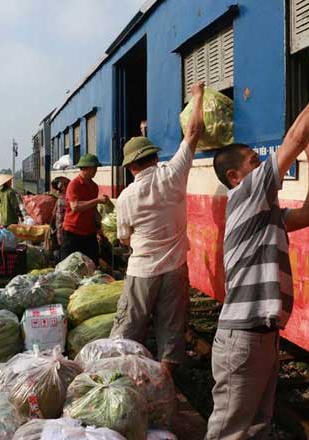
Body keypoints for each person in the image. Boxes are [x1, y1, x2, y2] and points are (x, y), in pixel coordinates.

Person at [205, 57, 309, 440]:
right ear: (236, 176)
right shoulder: (245, 193)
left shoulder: (263, 214)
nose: (262, 165)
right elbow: (294, 140)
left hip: (262, 336)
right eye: (254, 162)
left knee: (254, 429)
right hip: (244, 337)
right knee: (230, 432)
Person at [109, 81, 206, 376]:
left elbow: (124, 238)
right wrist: (198, 96)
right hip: (175, 268)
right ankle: (165, 383)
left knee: (129, 328)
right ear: (154, 157)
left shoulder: (126, 197)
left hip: (143, 271)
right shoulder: (174, 175)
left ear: (131, 166)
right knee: (171, 330)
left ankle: (125, 379)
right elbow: (193, 133)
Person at [61, 153, 109, 265]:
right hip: (72, 232)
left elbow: (93, 210)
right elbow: (75, 207)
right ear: (86, 168)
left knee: (91, 264)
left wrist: (102, 224)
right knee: (68, 266)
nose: (96, 170)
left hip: (89, 233)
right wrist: (97, 200)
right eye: (94, 168)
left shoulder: (94, 186)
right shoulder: (74, 185)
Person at [50, 176, 71, 248]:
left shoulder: (61, 198)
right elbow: (59, 221)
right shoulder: (63, 200)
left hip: (64, 235)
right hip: (65, 235)